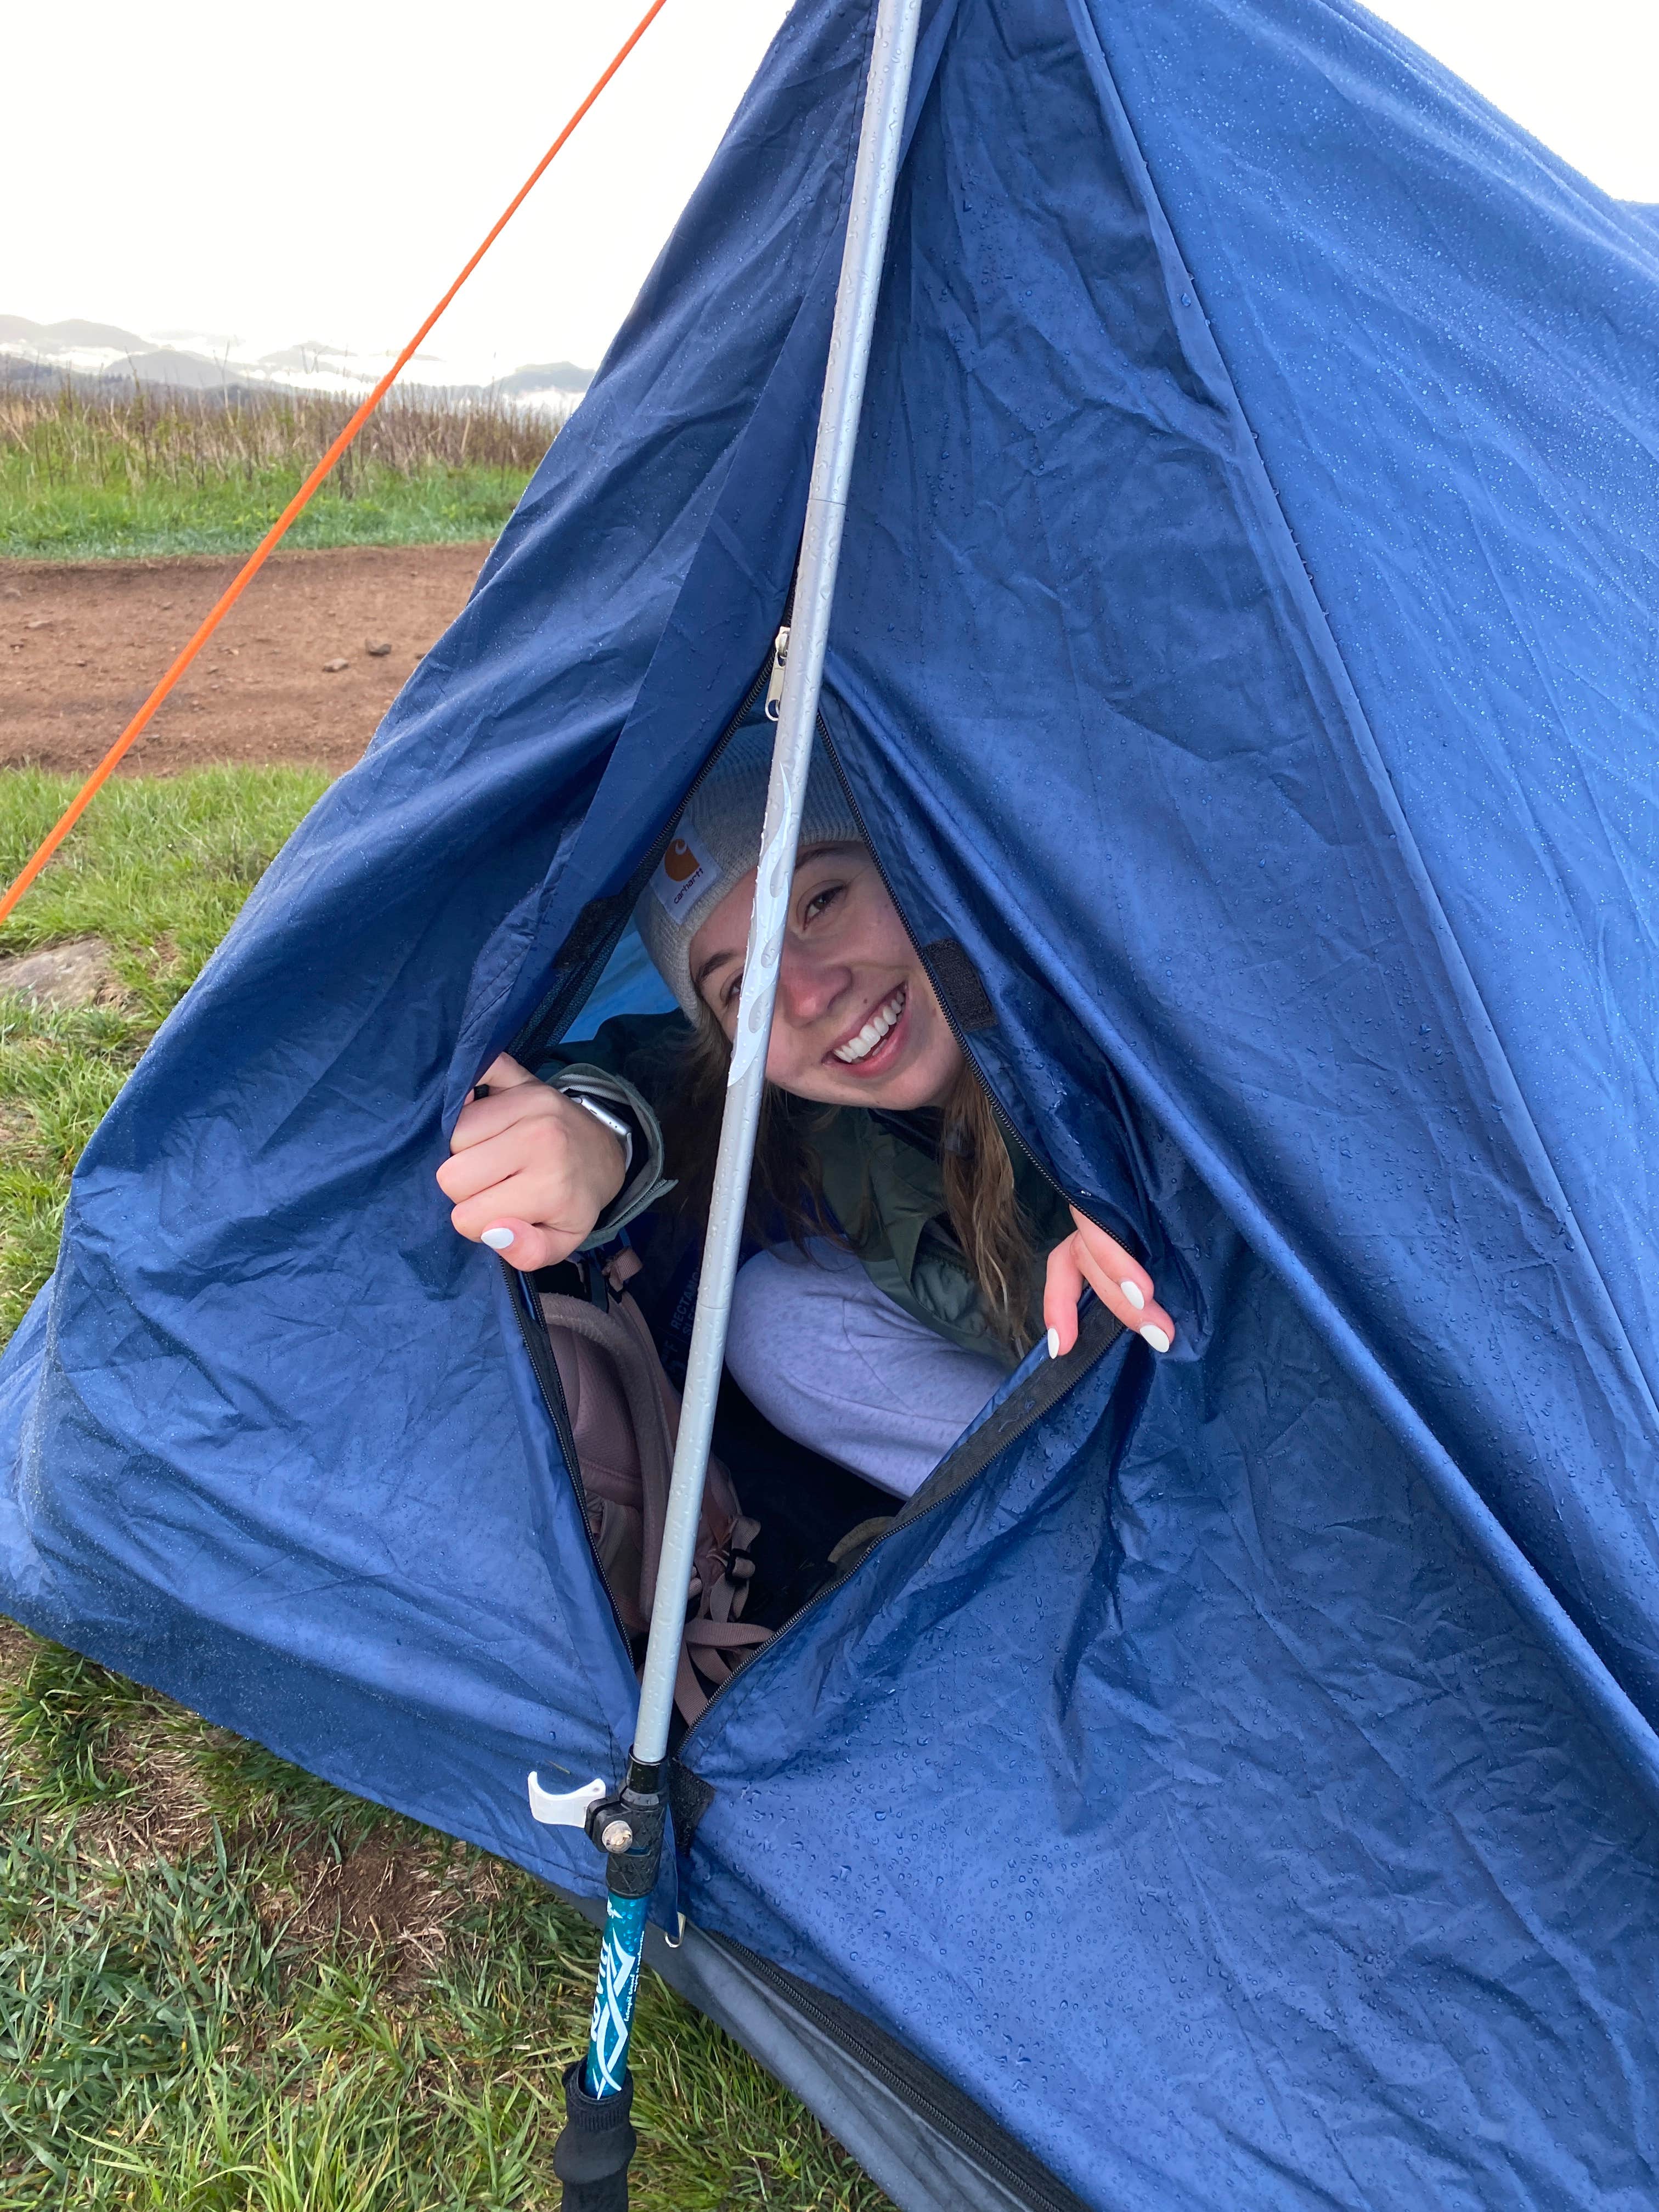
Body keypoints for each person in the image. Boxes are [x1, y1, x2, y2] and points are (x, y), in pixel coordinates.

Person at [437, 730, 1173, 1500]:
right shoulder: (797, 1096)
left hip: (1235, 1442)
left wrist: (1153, 1196)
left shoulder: (1101, 1004)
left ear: (908, 866)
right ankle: (1073, 1524)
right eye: (738, 989)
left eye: (819, 902)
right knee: (773, 1316)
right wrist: (599, 1134)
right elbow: (645, 1069)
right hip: (1094, 1463)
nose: (808, 996)